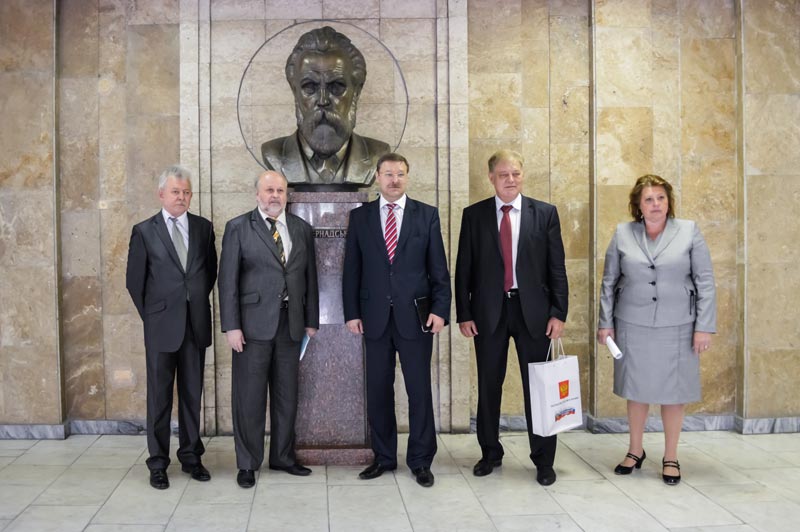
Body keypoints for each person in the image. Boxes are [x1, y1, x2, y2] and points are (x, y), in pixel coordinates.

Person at [455, 149, 569, 486]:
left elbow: (557, 268)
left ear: (523, 175)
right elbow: (464, 269)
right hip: (488, 313)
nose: (510, 179)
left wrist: (558, 313)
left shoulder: (545, 213)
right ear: (491, 177)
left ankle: (544, 460)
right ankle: (490, 453)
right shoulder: (474, 215)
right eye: (503, 174)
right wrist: (464, 313)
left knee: (539, 387)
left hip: (534, 313)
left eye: (516, 173)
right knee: (489, 385)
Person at [597, 174, 716, 486]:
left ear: (669, 202)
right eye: (648, 199)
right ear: (638, 205)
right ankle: (635, 451)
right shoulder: (623, 233)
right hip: (632, 324)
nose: (655, 204)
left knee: (673, 393)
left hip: (678, 325)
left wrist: (704, 327)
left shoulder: (689, 231)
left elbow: (705, 281)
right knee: (636, 390)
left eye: (661, 198)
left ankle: (671, 456)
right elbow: (609, 282)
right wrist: (605, 323)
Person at [342, 153, 451, 487]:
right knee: (378, 390)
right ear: (377, 176)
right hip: (374, 317)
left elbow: (439, 268)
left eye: (400, 174)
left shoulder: (426, 215)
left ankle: (421, 460)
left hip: (416, 318)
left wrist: (440, 310)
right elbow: (352, 270)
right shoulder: (360, 217)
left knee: (419, 390)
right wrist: (352, 313)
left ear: (407, 176)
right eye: (388, 174)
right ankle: (384, 457)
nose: (394, 180)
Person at [218, 170, 320, 488]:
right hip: (251, 328)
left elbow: (310, 277)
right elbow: (227, 282)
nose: (275, 196)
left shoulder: (301, 229)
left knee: (286, 396)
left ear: (287, 195)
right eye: (269, 190)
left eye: (280, 190)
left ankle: (282, 457)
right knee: (249, 397)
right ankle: (248, 463)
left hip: (291, 326)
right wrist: (231, 326)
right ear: (257, 194)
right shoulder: (238, 227)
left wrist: (311, 320)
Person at [126, 165, 217, 490]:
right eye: (176, 192)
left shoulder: (204, 228)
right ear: (161, 194)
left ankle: (191, 457)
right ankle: (158, 463)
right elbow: (134, 282)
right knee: (160, 398)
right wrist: (155, 316)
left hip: (195, 325)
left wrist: (192, 302)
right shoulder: (144, 231)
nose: (181, 197)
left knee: (192, 396)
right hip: (161, 328)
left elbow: (210, 272)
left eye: (186, 192)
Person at [261, 26, 389, 186]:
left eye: (336, 87)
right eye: (309, 87)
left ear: (356, 91)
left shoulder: (377, 153)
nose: (323, 101)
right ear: (295, 91)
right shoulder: (273, 153)